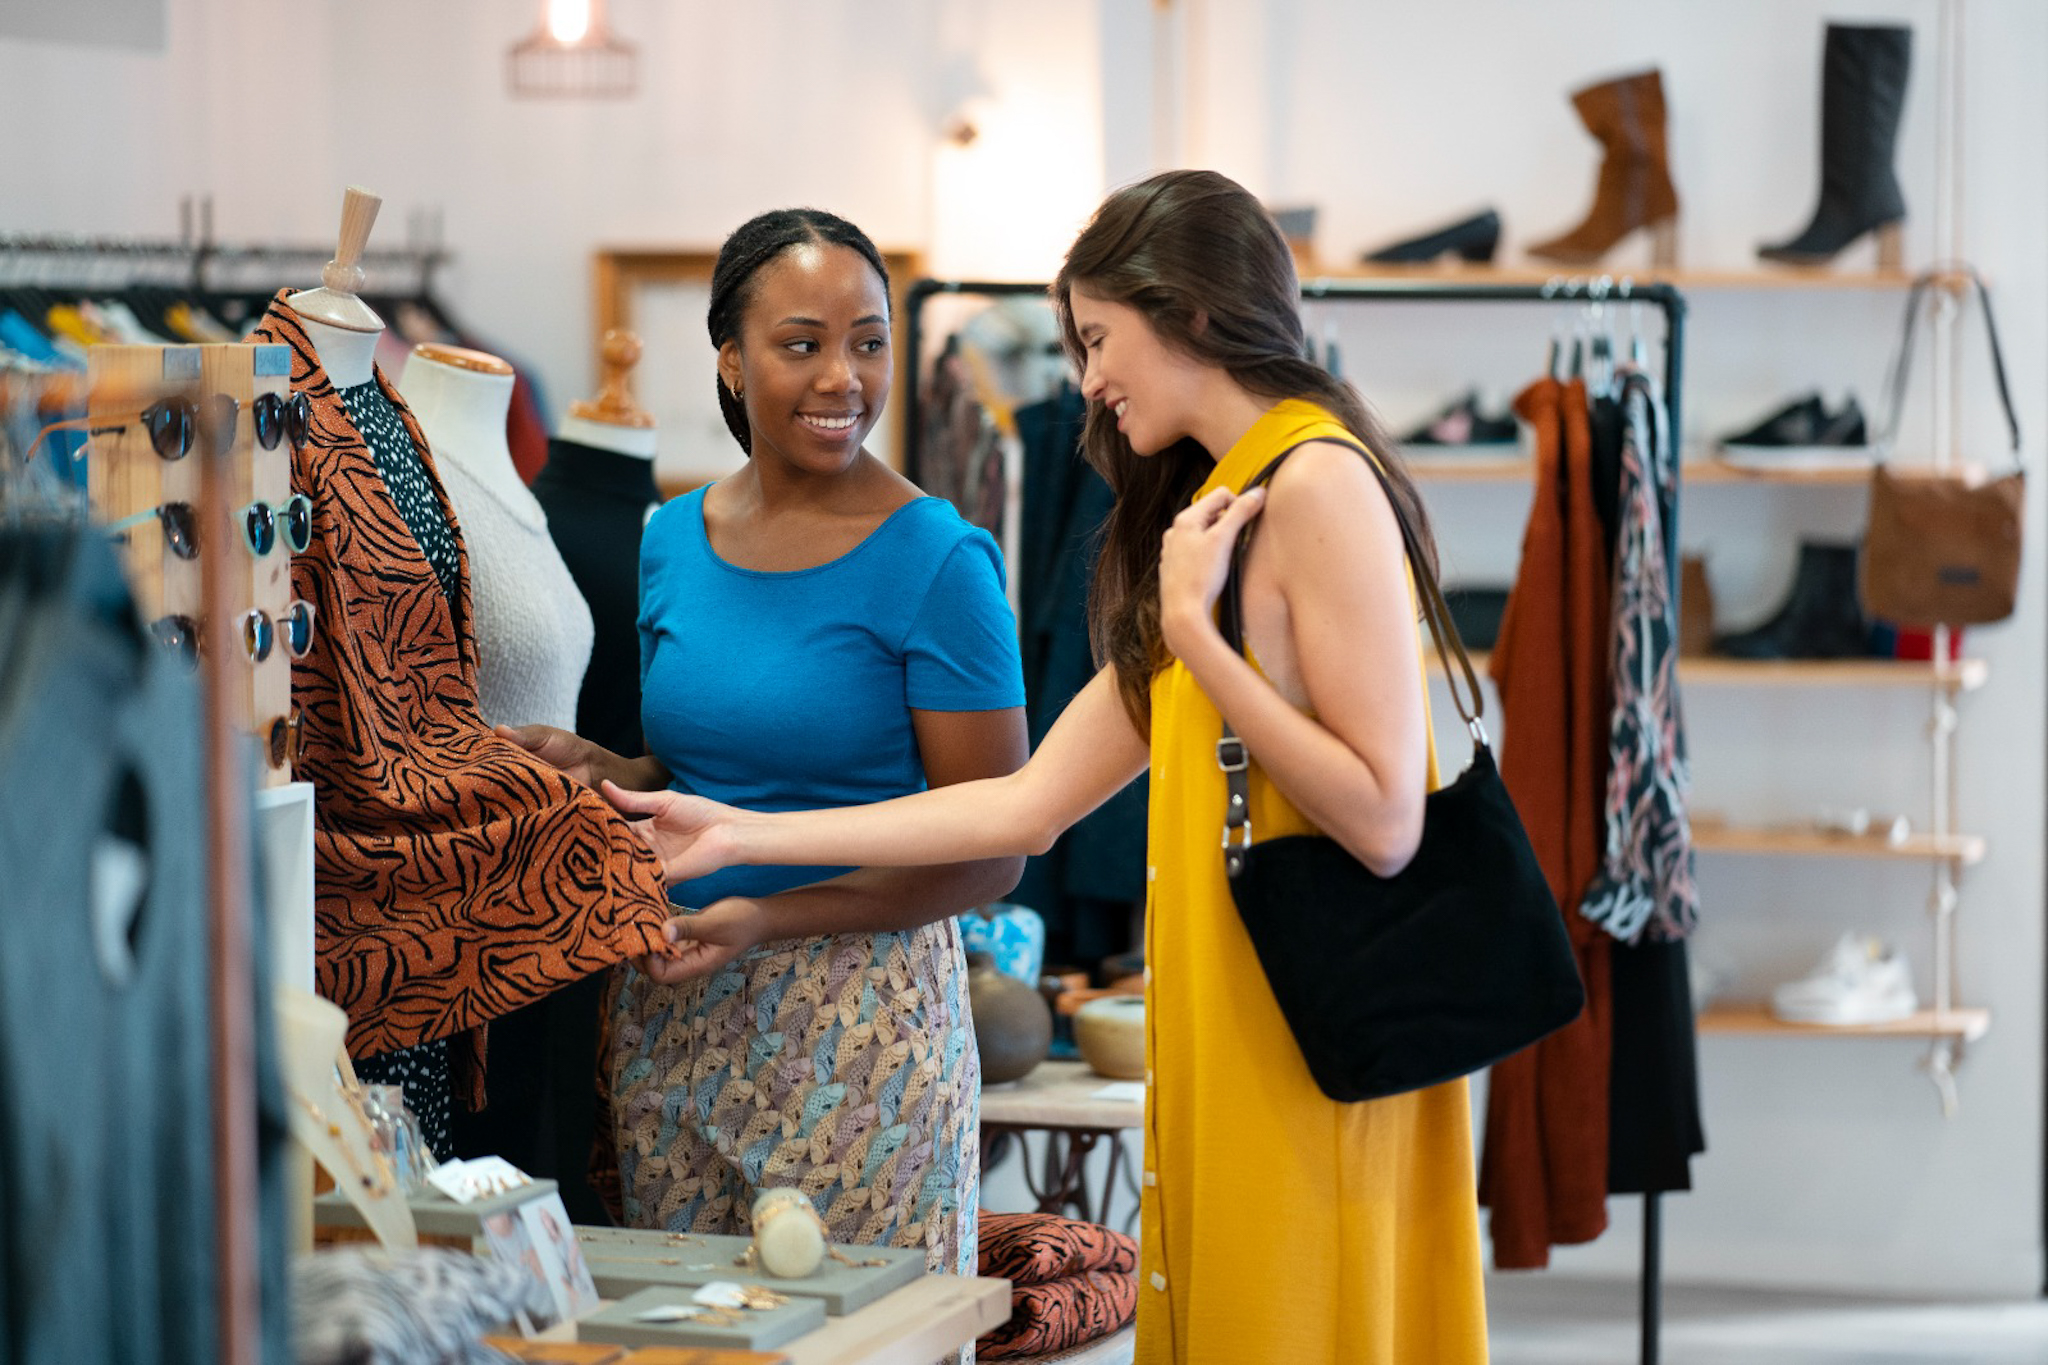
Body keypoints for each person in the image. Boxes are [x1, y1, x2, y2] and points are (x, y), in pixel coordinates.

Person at [602, 171, 1489, 1364]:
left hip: (1305, 1023)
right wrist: (743, 835)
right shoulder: (1217, 508)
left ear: (1185, 313)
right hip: (1225, 1012)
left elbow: (1384, 820)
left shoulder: (1318, 479)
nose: (1085, 380)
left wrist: (1197, 646)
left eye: (1096, 339)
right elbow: (1021, 802)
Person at [504, 207, 1028, 1278]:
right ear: (731, 363)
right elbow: (705, 770)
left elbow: (990, 847)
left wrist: (767, 918)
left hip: (860, 1027)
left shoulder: (937, 560)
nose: (843, 378)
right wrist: (610, 772)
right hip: (675, 1008)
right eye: (802, 344)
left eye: (867, 341)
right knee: (685, 1343)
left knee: (866, 1345)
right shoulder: (671, 540)